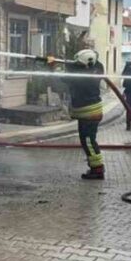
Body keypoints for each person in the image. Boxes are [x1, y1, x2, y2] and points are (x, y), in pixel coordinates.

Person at [41, 49, 106, 180]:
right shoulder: (97, 67)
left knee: (88, 142)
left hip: (89, 113)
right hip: (90, 112)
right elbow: (77, 66)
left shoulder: (80, 78)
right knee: (87, 140)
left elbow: (61, 78)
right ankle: (95, 167)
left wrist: (51, 65)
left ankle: (97, 169)